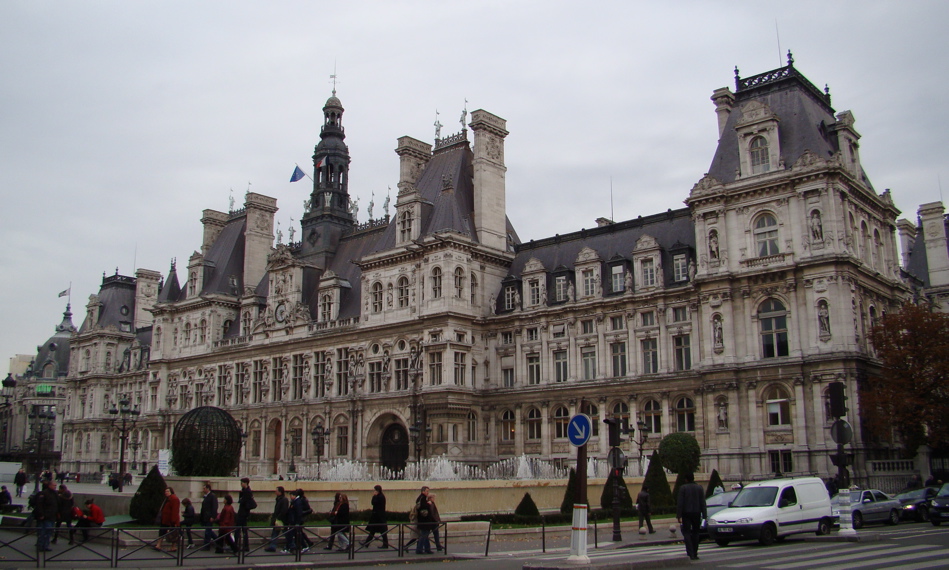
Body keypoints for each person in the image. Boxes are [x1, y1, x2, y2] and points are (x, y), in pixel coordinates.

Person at [676, 472, 707, 561]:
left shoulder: (683, 488)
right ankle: (695, 552)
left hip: (686, 513)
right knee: (696, 533)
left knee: (687, 533)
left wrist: (678, 515)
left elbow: (680, 503)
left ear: (686, 479)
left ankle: (690, 553)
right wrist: (704, 515)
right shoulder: (699, 488)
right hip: (697, 512)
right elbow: (702, 502)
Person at [33, 480, 58, 551]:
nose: (55, 487)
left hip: (52, 516)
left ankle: (46, 545)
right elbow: (39, 505)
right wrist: (41, 514)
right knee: (43, 532)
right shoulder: (44, 493)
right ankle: (40, 545)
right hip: (45, 516)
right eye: (54, 485)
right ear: (49, 485)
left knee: (49, 532)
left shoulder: (55, 493)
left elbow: (57, 503)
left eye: (55, 486)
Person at [155, 487, 180, 551]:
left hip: (171, 520)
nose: (166, 492)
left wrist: (173, 521)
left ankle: (173, 547)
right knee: (162, 532)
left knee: (173, 534)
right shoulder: (167, 499)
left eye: (167, 491)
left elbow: (175, 511)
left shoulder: (174, 499)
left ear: (171, 492)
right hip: (165, 519)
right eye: (165, 491)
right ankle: (158, 545)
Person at [265, 486, 289, 552]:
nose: (275, 492)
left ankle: (291, 545)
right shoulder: (279, 499)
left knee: (285, 533)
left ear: (280, 492)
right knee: (275, 533)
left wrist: (278, 518)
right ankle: (272, 546)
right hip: (278, 519)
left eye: (276, 491)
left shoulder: (283, 499)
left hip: (281, 520)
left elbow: (283, 510)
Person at [235, 477, 256, 552]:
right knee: (242, 529)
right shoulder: (244, 491)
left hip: (243, 513)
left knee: (240, 529)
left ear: (246, 483)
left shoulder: (247, 491)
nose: (241, 484)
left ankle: (240, 545)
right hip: (243, 512)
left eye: (242, 483)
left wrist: (241, 500)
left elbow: (242, 501)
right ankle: (243, 545)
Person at [414, 486, 435, 555]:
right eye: (427, 491)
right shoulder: (422, 498)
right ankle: (419, 549)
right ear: (423, 491)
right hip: (424, 520)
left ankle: (427, 549)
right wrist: (428, 504)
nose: (427, 493)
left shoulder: (420, 498)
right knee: (424, 535)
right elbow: (422, 508)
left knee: (425, 535)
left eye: (428, 491)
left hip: (422, 520)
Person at [200, 482, 218, 550]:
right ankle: (218, 540)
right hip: (206, 516)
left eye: (204, 488)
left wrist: (213, 516)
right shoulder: (207, 496)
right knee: (209, 530)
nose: (203, 490)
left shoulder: (212, 496)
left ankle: (207, 545)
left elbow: (214, 507)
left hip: (209, 516)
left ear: (208, 489)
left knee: (208, 531)